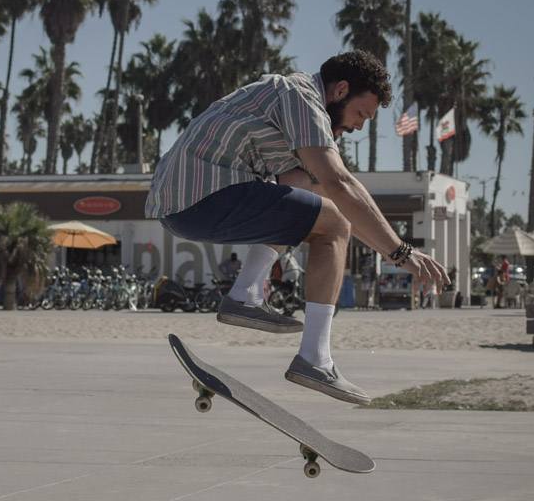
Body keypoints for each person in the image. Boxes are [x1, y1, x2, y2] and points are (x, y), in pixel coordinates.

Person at [146, 50, 448, 404]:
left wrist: (387, 248)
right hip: (201, 195)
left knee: (303, 192)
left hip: (182, 202)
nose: (358, 126)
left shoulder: (287, 107)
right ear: (340, 90)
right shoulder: (301, 98)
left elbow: (327, 197)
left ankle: (246, 293)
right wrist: (402, 252)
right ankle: (314, 360)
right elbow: (341, 185)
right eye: (361, 113)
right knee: (332, 223)